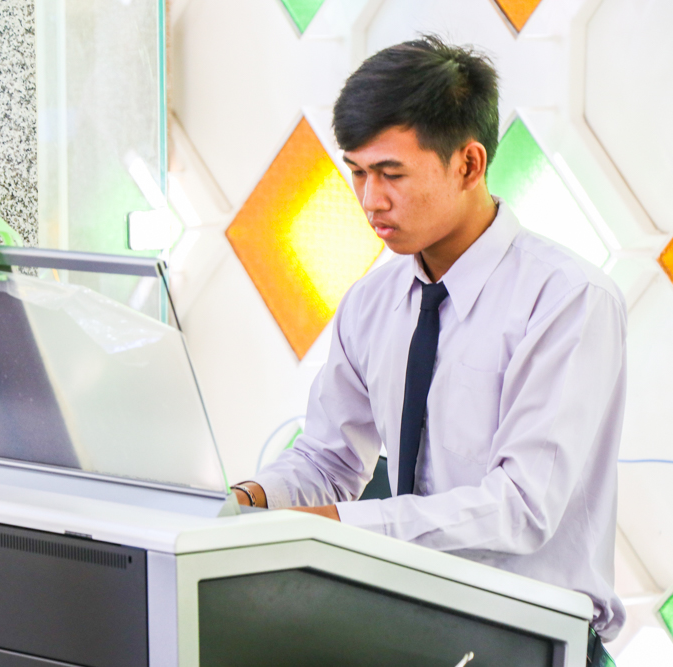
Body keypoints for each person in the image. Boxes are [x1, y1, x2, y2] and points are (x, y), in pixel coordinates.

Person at [229, 36, 624, 666]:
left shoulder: (566, 300)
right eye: (357, 173)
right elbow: (328, 462)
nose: (370, 201)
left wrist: (338, 528)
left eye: (391, 174)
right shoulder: (371, 302)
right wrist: (248, 500)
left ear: (468, 164)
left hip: (536, 642)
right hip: (410, 627)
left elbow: (521, 508)